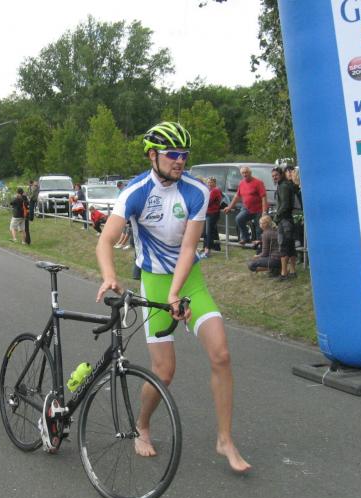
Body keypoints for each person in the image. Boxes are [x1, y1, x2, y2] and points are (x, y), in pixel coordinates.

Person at [96, 121, 251, 474]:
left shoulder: (196, 191)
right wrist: (109, 275)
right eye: (173, 154)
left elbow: (188, 248)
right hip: (154, 281)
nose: (180, 160)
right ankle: (142, 425)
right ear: (152, 155)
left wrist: (177, 292)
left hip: (188, 281)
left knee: (221, 354)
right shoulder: (135, 192)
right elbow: (106, 240)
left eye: (184, 154)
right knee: (164, 372)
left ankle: (225, 439)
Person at [223, 166, 267, 246]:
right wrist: (230, 207)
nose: (244, 174)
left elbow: (263, 197)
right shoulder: (241, 183)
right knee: (239, 219)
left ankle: (260, 246)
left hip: (258, 209)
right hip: (247, 208)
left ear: (250, 173)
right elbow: (237, 196)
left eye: (246, 172)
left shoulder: (258, 182)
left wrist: (264, 211)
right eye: (243, 173)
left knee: (259, 228)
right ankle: (245, 237)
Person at [272, 167, 297, 280]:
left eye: (276, 175)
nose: (274, 177)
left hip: (284, 220)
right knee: (290, 246)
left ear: (281, 174)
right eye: (273, 176)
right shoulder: (286, 184)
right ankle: (293, 272)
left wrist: (276, 218)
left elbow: (285, 205)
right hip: (288, 219)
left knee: (283, 246)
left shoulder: (283, 186)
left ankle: (284, 273)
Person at [202, 176, 222, 257]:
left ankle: (207, 250)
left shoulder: (215, 191)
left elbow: (208, 202)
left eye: (211, 182)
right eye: (208, 182)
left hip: (213, 213)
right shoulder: (209, 191)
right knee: (211, 231)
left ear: (214, 183)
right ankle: (216, 247)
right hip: (207, 213)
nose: (209, 184)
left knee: (208, 232)